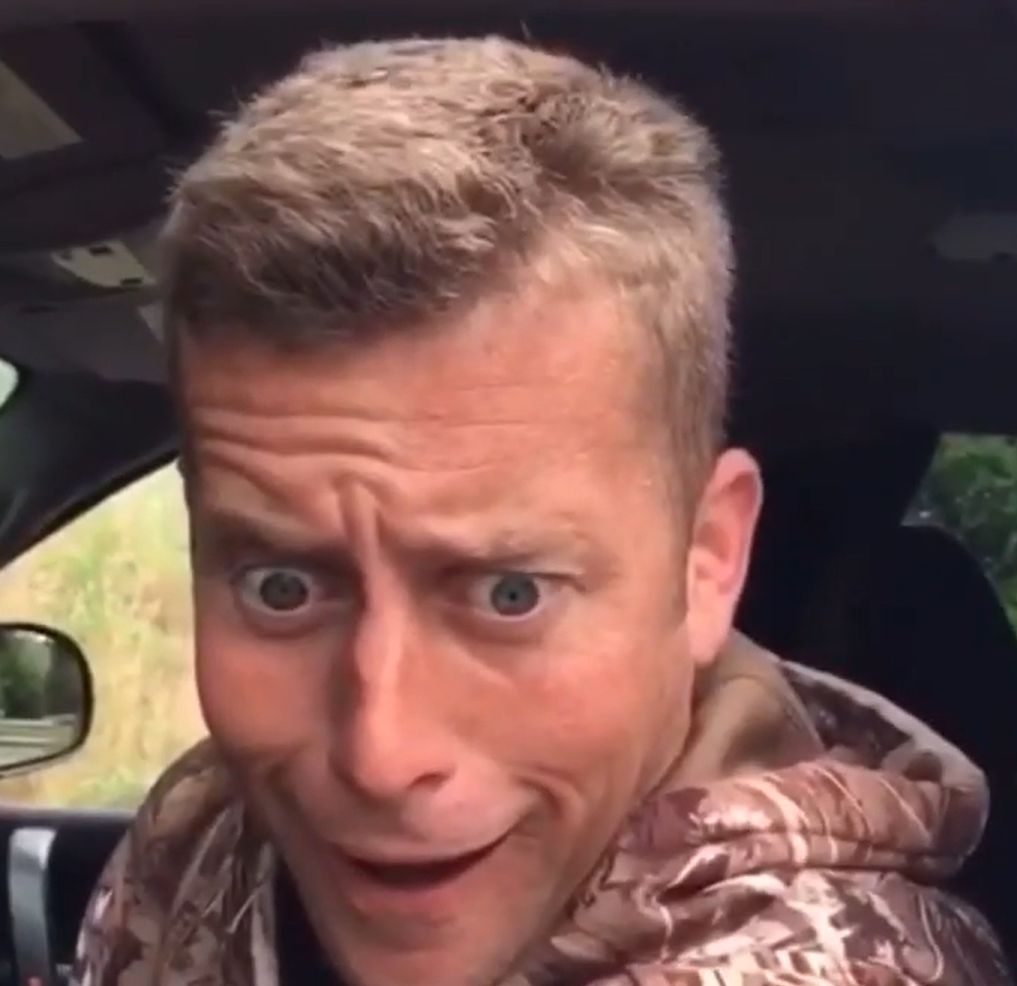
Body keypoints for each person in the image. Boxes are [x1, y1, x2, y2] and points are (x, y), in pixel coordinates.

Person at [71, 35, 1009, 986]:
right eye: (281, 588)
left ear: (708, 558)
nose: (379, 758)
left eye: (508, 594)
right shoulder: (195, 832)